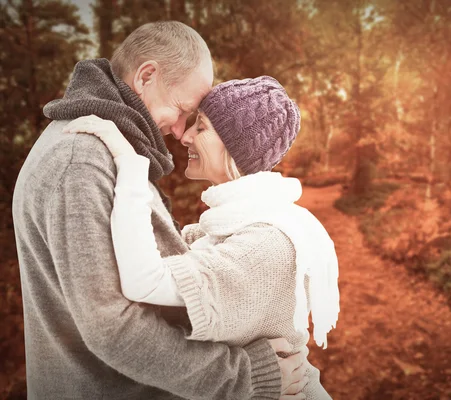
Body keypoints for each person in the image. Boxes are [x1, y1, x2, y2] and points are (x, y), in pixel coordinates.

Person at [12, 21, 308, 400]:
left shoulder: (98, 146)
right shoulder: (81, 160)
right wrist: (247, 376)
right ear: (146, 76)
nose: (180, 131)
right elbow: (113, 328)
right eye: (184, 110)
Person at [63, 76, 340, 400]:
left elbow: (145, 280)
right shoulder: (228, 228)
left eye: (202, 127)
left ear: (237, 148)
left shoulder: (266, 245)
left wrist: (129, 163)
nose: (186, 136)